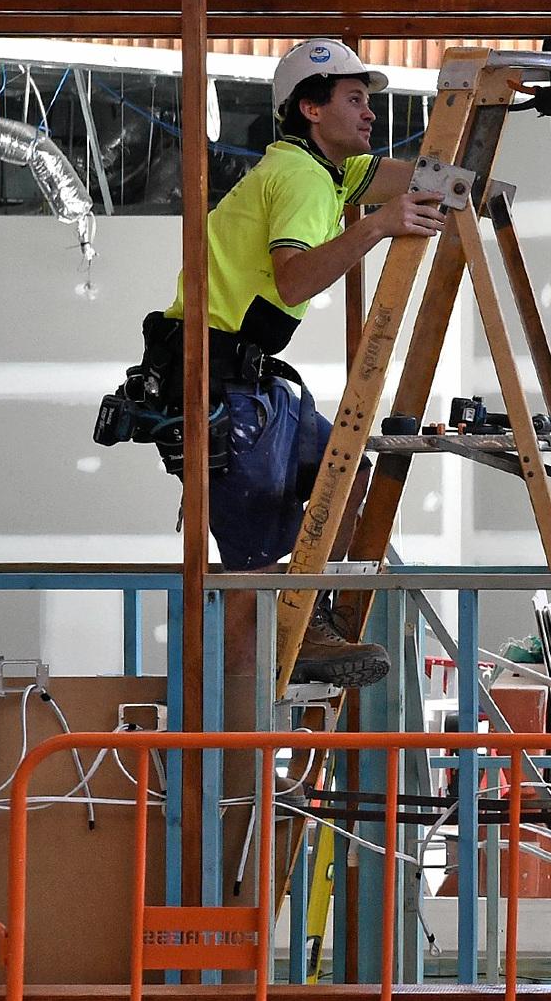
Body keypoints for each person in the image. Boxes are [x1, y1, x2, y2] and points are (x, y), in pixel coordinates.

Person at [136, 37, 445, 687]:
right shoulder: (303, 177)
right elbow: (295, 279)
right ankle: (224, 732)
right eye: (354, 100)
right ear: (310, 108)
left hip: (249, 383)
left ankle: (312, 622)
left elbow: (425, 180)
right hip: (219, 389)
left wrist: (488, 182)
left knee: (345, 471)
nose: (369, 114)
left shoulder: (331, 170)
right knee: (250, 573)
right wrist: (376, 226)